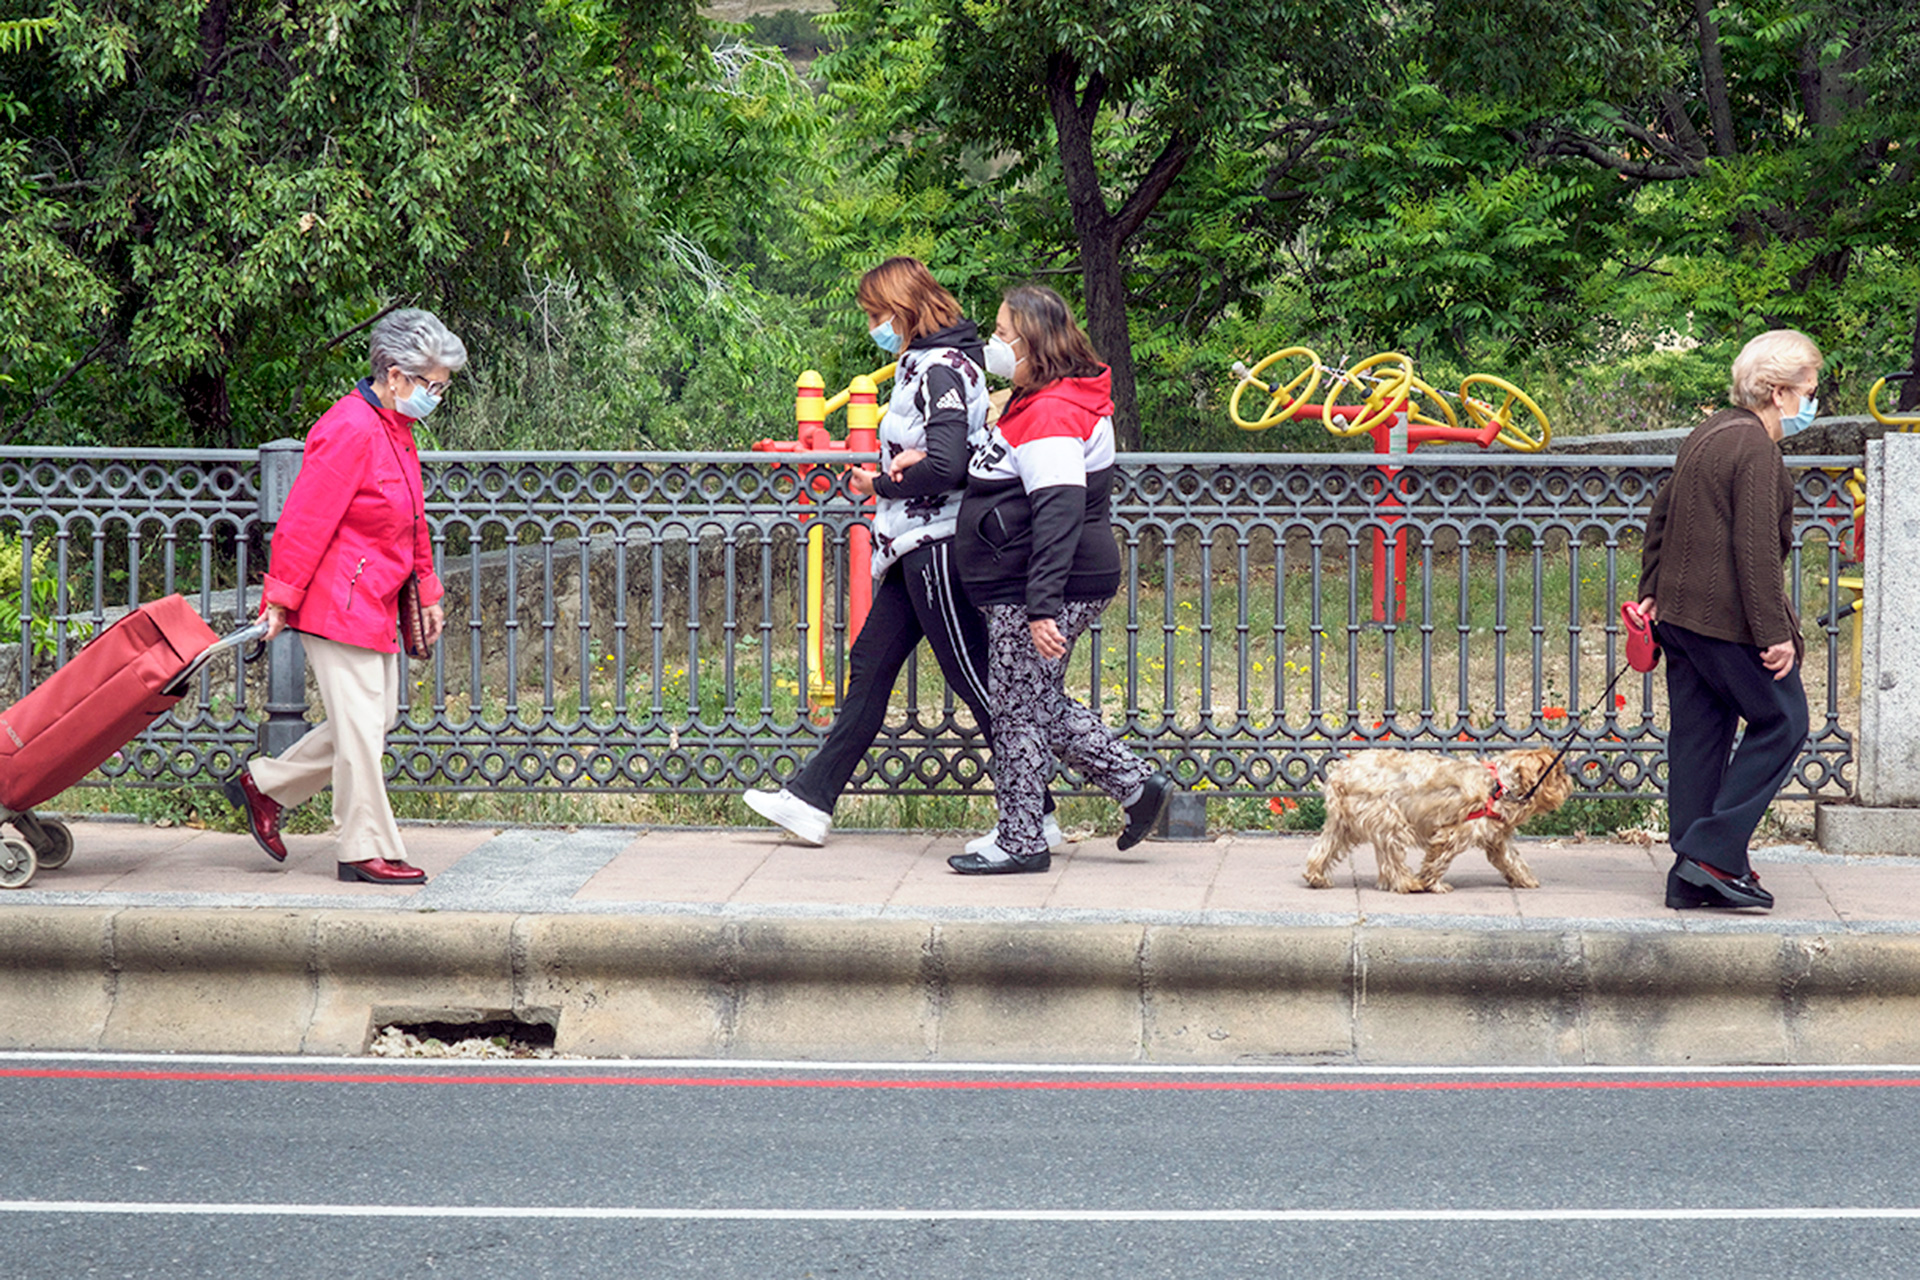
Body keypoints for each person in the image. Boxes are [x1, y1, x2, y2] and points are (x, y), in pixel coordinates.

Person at [743, 258, 1061, 850]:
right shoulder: (932, 362)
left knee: (978, 683)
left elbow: (942, 465)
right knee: (870, 667)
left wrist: (879, 486)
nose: (873, 326)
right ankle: (811, 799)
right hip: (911, 547)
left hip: (934, 545)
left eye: (875, 315)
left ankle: (1039, 810)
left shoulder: (940, 368)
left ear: (903, 309)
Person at [222, 308, 459, 883]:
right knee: (359, 731)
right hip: (337, 601)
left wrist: (427, 588)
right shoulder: (349, 426)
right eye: (432, 385)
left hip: (373, 598)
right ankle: (362, 847)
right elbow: (303, 521)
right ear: (397, 375)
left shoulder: (393, 428)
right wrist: (279, 598)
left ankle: (264, 785)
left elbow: (411, 521)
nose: (436, 396)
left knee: (373, 722)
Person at [948, 285, 1175, 874]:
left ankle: (1022, 840)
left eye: (1002, 333)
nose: (993, 343)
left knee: (1018, 711)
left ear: (1031, 341)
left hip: (1045, 583)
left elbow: (1059, 510)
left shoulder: (1052, 411)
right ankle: (1135, 786)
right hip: (1031, 579)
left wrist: (1041, 605)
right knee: (1030, 701)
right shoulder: (1039, 398)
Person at [1636, 328, 1817, 911]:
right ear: (1777, 392)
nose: (1812, 402)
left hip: (1679, 617)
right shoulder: (1758, 449)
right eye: (1808, 390)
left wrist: (1650, 595)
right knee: (1784, 721)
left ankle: (1691, 879)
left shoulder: (1709, 430)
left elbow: (1660, 515)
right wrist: (1776, 635)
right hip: (1725, 620)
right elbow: (1756, 550)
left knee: (1700, 735)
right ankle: (1711, 854)